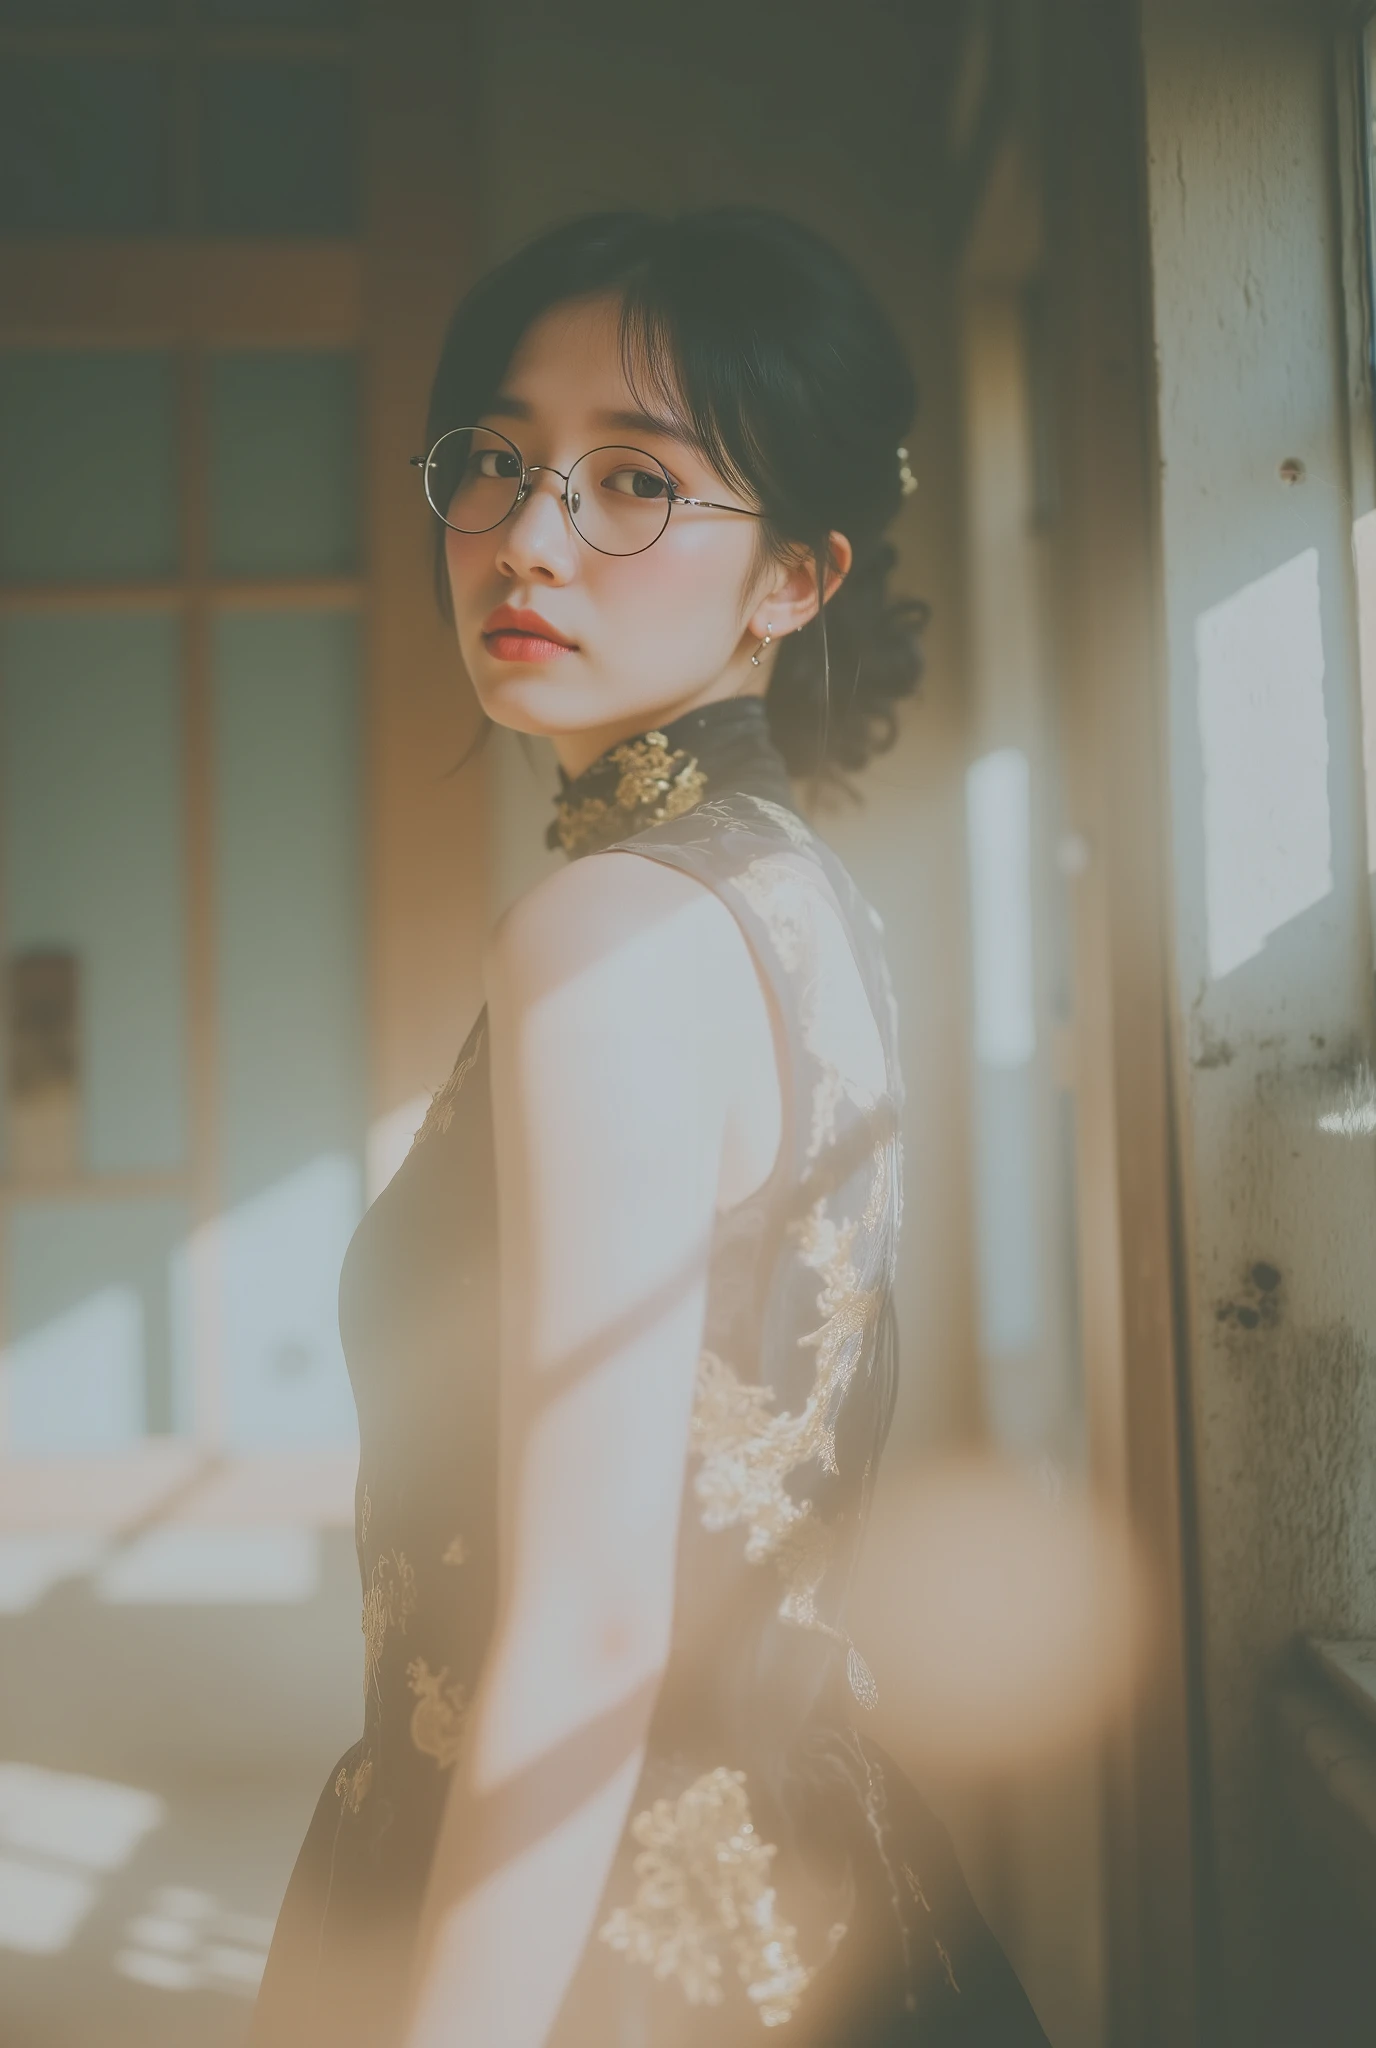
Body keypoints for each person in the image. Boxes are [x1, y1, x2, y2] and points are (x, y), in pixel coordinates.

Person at [250, 207, 1051, 2048]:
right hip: (807, 1879)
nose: (529, 537)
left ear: (795, 578)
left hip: (587, 1929)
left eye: (634, 482)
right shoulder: (795, 894)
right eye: (497, 460)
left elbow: (595, 1625)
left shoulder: (607, 932)